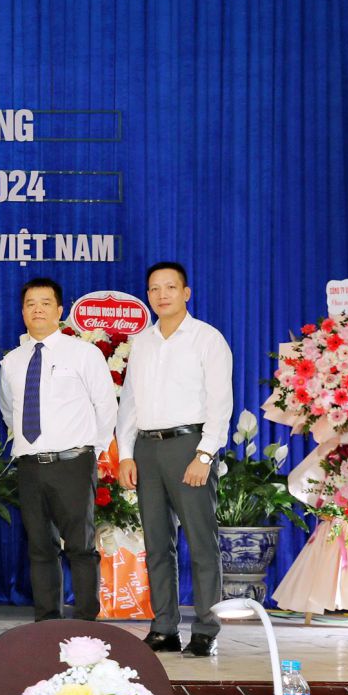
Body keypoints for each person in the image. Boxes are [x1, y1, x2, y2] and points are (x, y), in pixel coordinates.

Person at [117, 262, 233, 659]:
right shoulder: (143, 342)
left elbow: (220, 402)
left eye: (170, 287)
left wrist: (205, 453)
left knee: (201, 542)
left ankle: (206, 627)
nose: (161, 294)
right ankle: (164, 627)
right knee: (157, 543)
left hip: (189, 446)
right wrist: (126, 453)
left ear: (186, 293)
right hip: (147, 448)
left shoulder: (207, 339)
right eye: (154, 288)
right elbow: (130, 403)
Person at [0, 278, 117, 622]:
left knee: (80, 546)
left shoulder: (83, 353)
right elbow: (9, 411)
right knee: (39, 548)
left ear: (59, 310)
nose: (37, 309)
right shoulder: (12, 361)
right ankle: (47, 623)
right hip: (30, 465)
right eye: (30, 304)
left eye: (45, 303)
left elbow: (105, 406)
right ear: (22, 312)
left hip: (73, 462)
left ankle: (86, 622)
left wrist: (92, 452)